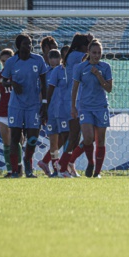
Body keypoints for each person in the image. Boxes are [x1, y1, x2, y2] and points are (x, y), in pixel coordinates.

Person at [2, 34, 48, 178]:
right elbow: (3, 81)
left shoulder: (38, 60)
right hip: (15, 106)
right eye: (25, 44)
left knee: (33, 138)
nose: (28, 46)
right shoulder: (11, 62)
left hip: (34, 105)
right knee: (15, 138)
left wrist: (45, 103)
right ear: (18, 46)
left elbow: (44, 83)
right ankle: (16, 170)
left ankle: (28, 163)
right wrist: (12, 83)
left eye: (30, 43)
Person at [71, 39, 112, 178]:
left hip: (101, 107)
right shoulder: (80, 67)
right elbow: (75, 89)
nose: (96, 55)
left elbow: (109, 88)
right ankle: (90, 162)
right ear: (88, 52)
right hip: (85, 107)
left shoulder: (105, 67)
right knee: (88, 138)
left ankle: (97, 173)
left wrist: (98, 75)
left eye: (99, 52)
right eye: (94, 52)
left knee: (100, 140)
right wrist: (73, 107)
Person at [53, 33, 93, 175]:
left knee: (78, 137)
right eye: (88, 46)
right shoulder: (76, 55)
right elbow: (92, 58)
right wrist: (93, 42)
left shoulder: (72, 56)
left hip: (78, 99)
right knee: (74, 135)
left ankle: (67, 163)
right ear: (83, 46)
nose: (89, 49)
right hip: (74, 100)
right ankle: (62, 166)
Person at [39, 48, 74, 177]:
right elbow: (41, 92)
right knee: (53, 141)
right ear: (47, 59)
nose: (54, 60)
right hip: (50, 111)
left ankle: (53, 163)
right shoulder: (46, 73)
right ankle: (56, 169)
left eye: (56, 57)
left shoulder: (66, 71)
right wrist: (43, 108)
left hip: (62, 110)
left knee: (64, 139)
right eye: (51, 57)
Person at [0, 48, 23, 178]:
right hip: (3, 112)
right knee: (7, 143)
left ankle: (19, 169)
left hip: (17, 111)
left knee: (18, 141)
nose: (4, 63)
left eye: (7, 61)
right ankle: (10, 170)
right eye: (2, 61)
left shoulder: (18, 74)